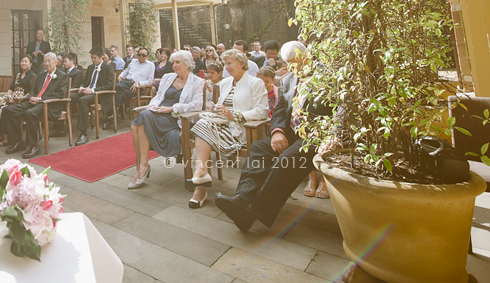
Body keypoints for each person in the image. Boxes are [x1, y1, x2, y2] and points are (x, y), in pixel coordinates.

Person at [214, 41, 337, 232]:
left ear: (307, 56)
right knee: (259, 148)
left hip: (314, 136)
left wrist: (331, 134)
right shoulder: (289, 79)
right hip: (290, 133)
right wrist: (277, 131)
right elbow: (280, 109)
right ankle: (242, 198)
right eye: (289, 64)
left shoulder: (327, 77)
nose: (293, 68)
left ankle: (254, 211)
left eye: (296, 62)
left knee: (287, 159)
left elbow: (339, 110)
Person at [188, 49, 268, 208]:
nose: (226, 67)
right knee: (202, 124)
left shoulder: (255, 83)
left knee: (201, 130)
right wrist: (215, 108)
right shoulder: (225, 83)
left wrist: (235, 115)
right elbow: (223, 105)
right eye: (225, 63)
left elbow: (262, 111)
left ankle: (200, 185)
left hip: (240, 128)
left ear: (242, 63)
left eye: (230, 63)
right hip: (220, 124)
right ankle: (201, 173)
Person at [127, 50, 204, 189]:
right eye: (173, 62)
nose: (174, 65)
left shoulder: (197, 82)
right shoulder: (168, 77)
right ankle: (142, 166)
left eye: (178, 62)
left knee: (140, 120)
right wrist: (153, 106)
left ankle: (142, 167)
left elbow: (197, 105)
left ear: (187, 64)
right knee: (136, 124)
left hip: (176, 118)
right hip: (158, 113)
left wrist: (171, 109)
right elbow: (158, 96)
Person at [3, 52, 68, 159]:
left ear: (56, 62)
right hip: (35, 102)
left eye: (49, 61)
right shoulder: (41, 75)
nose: (47, 64)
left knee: (30, 113)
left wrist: (40, 99)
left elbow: (60, 94)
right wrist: (31, 97)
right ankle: (18, 141)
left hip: (49, 104)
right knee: (8, 110)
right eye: (45, 61)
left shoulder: (62, 76)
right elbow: (34, 90)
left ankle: (34, 145)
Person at [73, 46, 115, 146]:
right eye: (91, 57)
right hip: (88, 92)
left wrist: (92, 90)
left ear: (101, 57)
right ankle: (61, 127)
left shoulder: (108, 67)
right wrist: (82, 87)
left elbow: (109, 86)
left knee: (83, 100)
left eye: (95, 58)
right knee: (71, 97)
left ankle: (83, 133)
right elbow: (85, 81)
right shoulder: (90, 67)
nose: (93, 60)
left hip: (100, 95)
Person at [0, 55, 36, 146]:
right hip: (13, 100)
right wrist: (8, 96)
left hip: (23, 101)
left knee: (6, 111)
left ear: (30, 64)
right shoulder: (18, 75)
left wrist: (21, 98)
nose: (23, 63)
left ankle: (8, 137)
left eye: (26, 61)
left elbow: (32, 91)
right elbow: (11, 88)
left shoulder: (32, 76)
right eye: (22, 61)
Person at [108, 48, 155, 129]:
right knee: (118, 90)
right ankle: (115, 112)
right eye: (139, 54)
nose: (141, 56)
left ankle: (113, 113)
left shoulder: (150, 65)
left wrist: (139, 83)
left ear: (147, 56)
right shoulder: (133, 62)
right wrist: (120, 76)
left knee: (116, 91)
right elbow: (126, 71)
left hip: (136, 87)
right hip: (126, 82)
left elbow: (150, 81)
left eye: (143, 55)